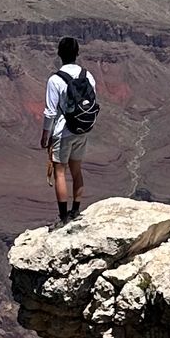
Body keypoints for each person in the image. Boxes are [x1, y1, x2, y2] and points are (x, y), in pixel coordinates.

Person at [41, 35, 99, 223]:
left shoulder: (55, 80)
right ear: (77, 53)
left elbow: (50, 112)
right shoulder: (87, 75)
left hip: (62, 132)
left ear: (59, 54)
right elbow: (91, 102)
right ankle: (76, 211)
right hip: (82, 129)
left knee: (60, 172)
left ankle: (64, 217)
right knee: (77, 170)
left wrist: (45, 136)